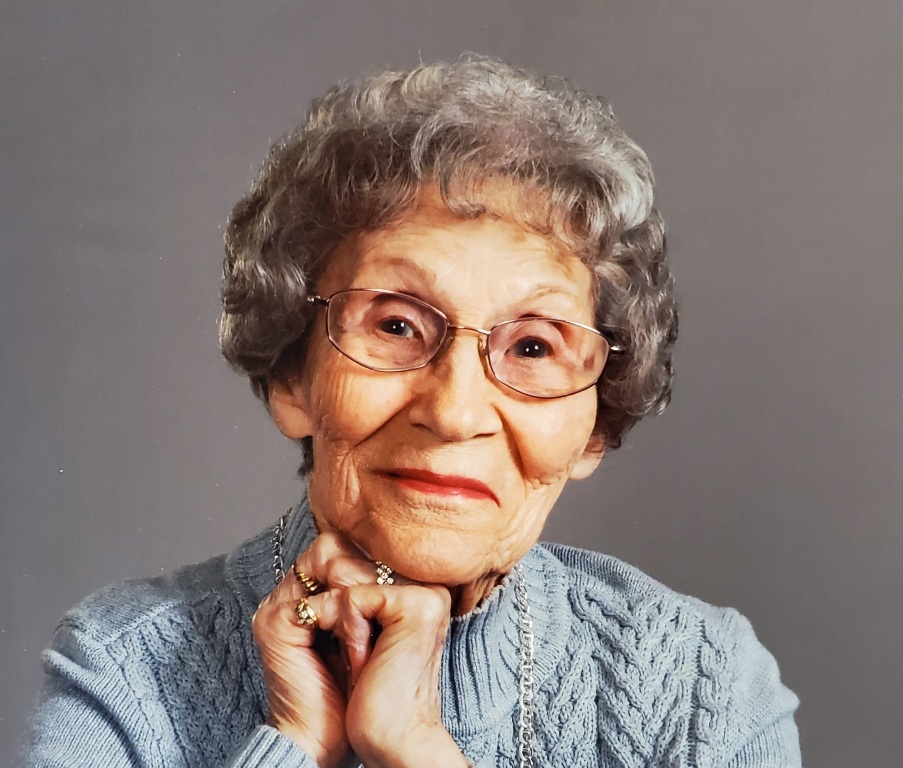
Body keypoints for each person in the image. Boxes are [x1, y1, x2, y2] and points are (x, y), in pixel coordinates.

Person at [23, 57, 801, 767]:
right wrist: (294, 741)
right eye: (395, 326)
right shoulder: (124, 670)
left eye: (533, 347)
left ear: (594, 427)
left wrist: (417, 752)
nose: (455, 412)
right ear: (292, 376)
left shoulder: (704, 687)